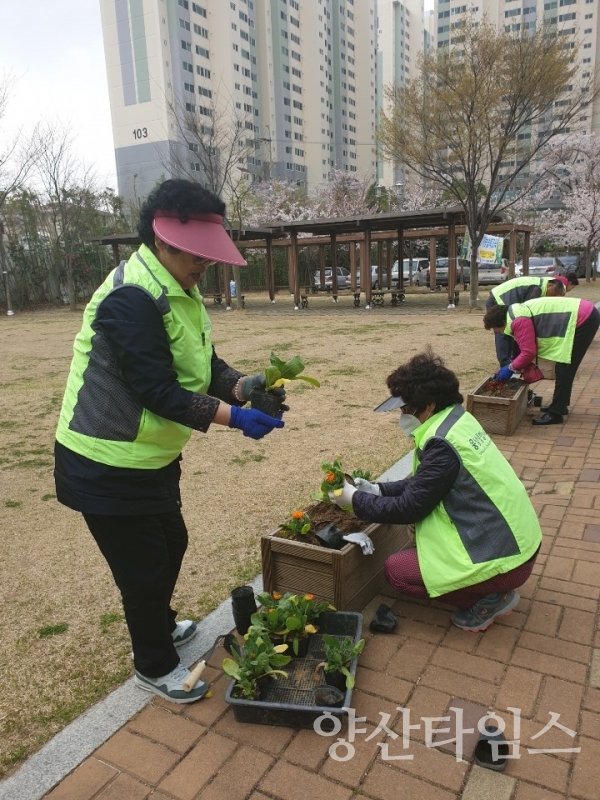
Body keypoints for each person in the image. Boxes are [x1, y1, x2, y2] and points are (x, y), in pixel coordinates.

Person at [54, 179, 286, 704]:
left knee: (170, 545)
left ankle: (159, 626)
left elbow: (201, 364)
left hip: (151, 457)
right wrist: (236, 418)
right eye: (197, 254)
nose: (206, 265)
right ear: (162, 240)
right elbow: (157, 390)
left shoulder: (181, 286)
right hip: (104, 461)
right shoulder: (131, 297)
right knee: (144, 568)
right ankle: (154, 664)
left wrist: (245, 385)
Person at [328, 350, 542, 632]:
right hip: (519, 546)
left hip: (504, 561)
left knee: (397, 572)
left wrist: (355, 499)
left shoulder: (441, 443)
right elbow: (425, 483)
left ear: (428, 405)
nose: (403, 416)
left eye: (407, 409)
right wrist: (377, 489)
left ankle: (491, 598)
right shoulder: (456, 422)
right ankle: (491, 587)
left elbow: (410, 507)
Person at [483, 296, 600, 425]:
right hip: (582, 314)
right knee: (563, 367)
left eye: (497, 330)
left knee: (565, 367)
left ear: (501, 323)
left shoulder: (518, 320)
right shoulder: (514, 313)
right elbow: (522, 347)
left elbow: (528, 352)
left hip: (583, 319)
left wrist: (510, 368)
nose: (499, 333)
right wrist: (514, 364)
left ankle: (556, 414)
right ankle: (560, 406)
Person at [486, 275, 576, 367]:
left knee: (515, 331)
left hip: (506, 301)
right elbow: (527, 312)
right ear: (550, 286)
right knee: (503, 332)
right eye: (553, 294)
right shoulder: (536, 289)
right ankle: (505, 365)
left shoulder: (543, 285)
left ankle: (515, 361)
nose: (551, 298)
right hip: (498, 300)